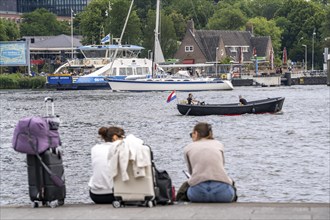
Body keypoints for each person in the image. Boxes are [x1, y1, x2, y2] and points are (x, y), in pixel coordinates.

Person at [183, 122, 236, 203]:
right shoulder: (219, 144)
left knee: (186, 188)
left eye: (191, 134)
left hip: (198, 194)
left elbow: (191, 172)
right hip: (223, 194)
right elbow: (222, 166)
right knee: (232, 186)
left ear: (196, 133)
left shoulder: (188, 148)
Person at [88, 126, 125, 204]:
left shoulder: (95, 148)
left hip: (95, 195)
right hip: (115, 195)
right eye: (123, 137)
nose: (124, 140)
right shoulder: (121, 148)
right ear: (115, 137)